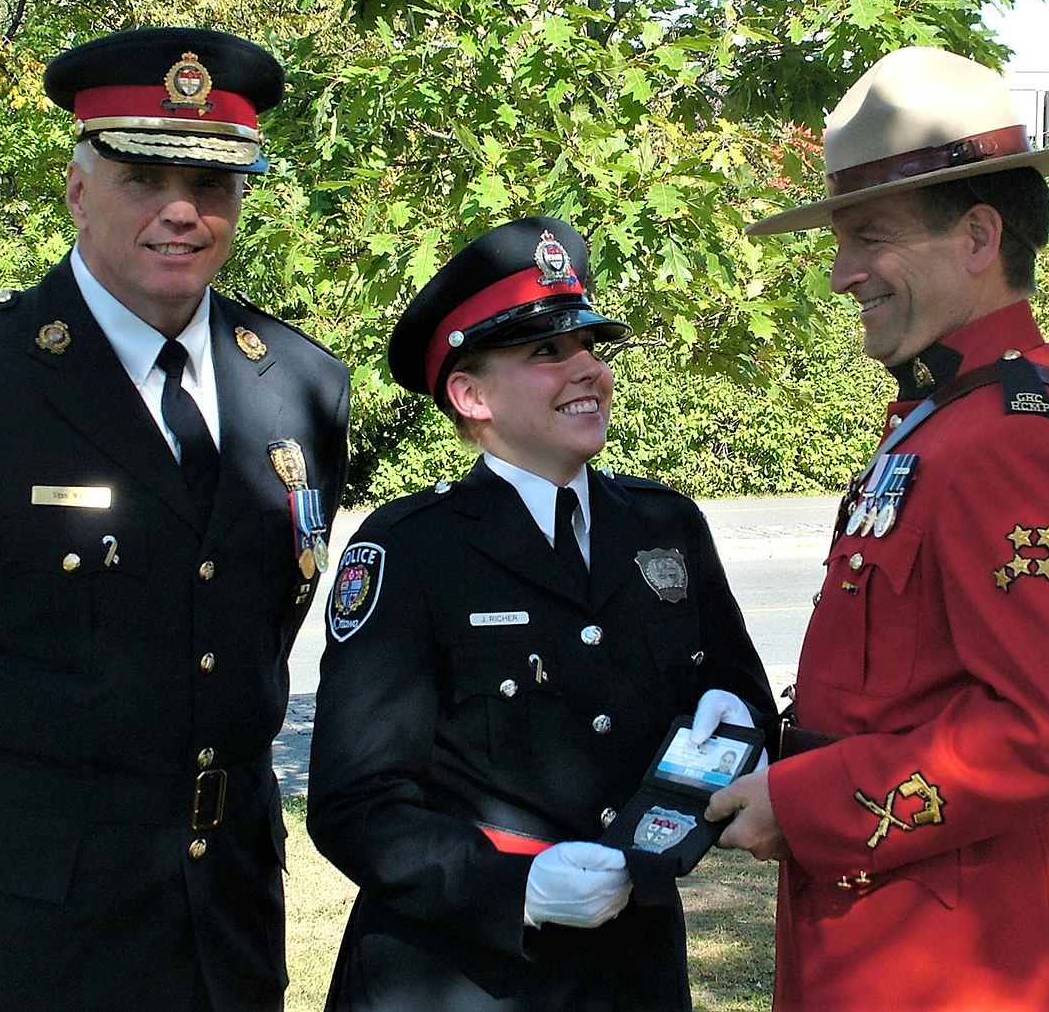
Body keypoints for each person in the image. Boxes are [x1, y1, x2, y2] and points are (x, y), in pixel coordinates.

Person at [0, 28, 350, 1012]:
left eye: (211, 185)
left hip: (225, 919)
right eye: (142, 177)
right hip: (16, 934)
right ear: (77, 189)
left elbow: (257, 627)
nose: (180, 212)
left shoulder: (301, 386)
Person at [706, 46, 1049, 1010]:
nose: (843, 273)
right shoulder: (944, 415)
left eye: (871, 238)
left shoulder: (1005, 435)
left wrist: (802, 803)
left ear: (978, 235)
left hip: (961, 962)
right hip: (891, 936)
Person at [306, 216, 777, 1011]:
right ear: (470, 393)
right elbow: (355, 801)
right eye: (545, 352)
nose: (587, 366)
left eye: (591, 344)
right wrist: (512, 885)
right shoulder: (410, 550)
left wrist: (739, 731)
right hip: (465, 972)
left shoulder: (663, 526)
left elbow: (739, 695)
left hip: (633, 968)